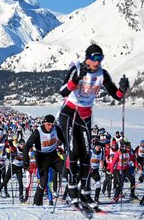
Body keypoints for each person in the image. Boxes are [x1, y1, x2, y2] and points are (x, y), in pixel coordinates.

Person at [58, 44, 129, 211]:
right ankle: (72, 188)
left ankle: (84, 192)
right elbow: (62, 91)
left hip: (85, 115)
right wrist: (75, 80)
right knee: (74, 150)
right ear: (87, 58)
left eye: (101, 58)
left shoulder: (102, 74)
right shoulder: (76, 68)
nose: (98, 62)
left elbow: (116, 96)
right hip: (69, 112)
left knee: (86, 154)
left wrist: (123, 89)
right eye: (95, 58)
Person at [23, 115, 67, 206]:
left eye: (52, 125)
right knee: (44, 181)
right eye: (48, 124)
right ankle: (37, 202)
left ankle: (75, 198)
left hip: (54, 156)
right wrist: (26, 161)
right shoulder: (37, 132)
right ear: (44, 123)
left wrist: (68, 149)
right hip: (42, 157)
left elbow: (65, 140)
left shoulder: (56, 129)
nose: (50, 127)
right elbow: (27, 146)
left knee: (67, 172)